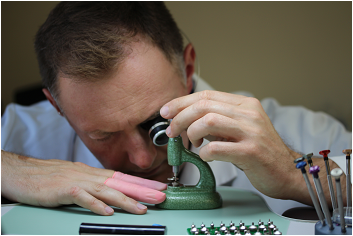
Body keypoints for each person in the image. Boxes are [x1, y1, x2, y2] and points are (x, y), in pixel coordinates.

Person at [2, 2, 351, 217]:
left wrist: (292, 175)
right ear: (57, 107)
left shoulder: (309, 131)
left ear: (187, 71)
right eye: (102, 135)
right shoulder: (17, 135)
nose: (141, 160)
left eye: (155, 123)